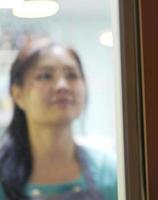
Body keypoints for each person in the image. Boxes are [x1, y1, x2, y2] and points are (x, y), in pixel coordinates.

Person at [0, 38, 117, 200]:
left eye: (72, 75)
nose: (62, 85)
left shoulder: (112, 172)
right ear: (18, 94)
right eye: (45, 76)